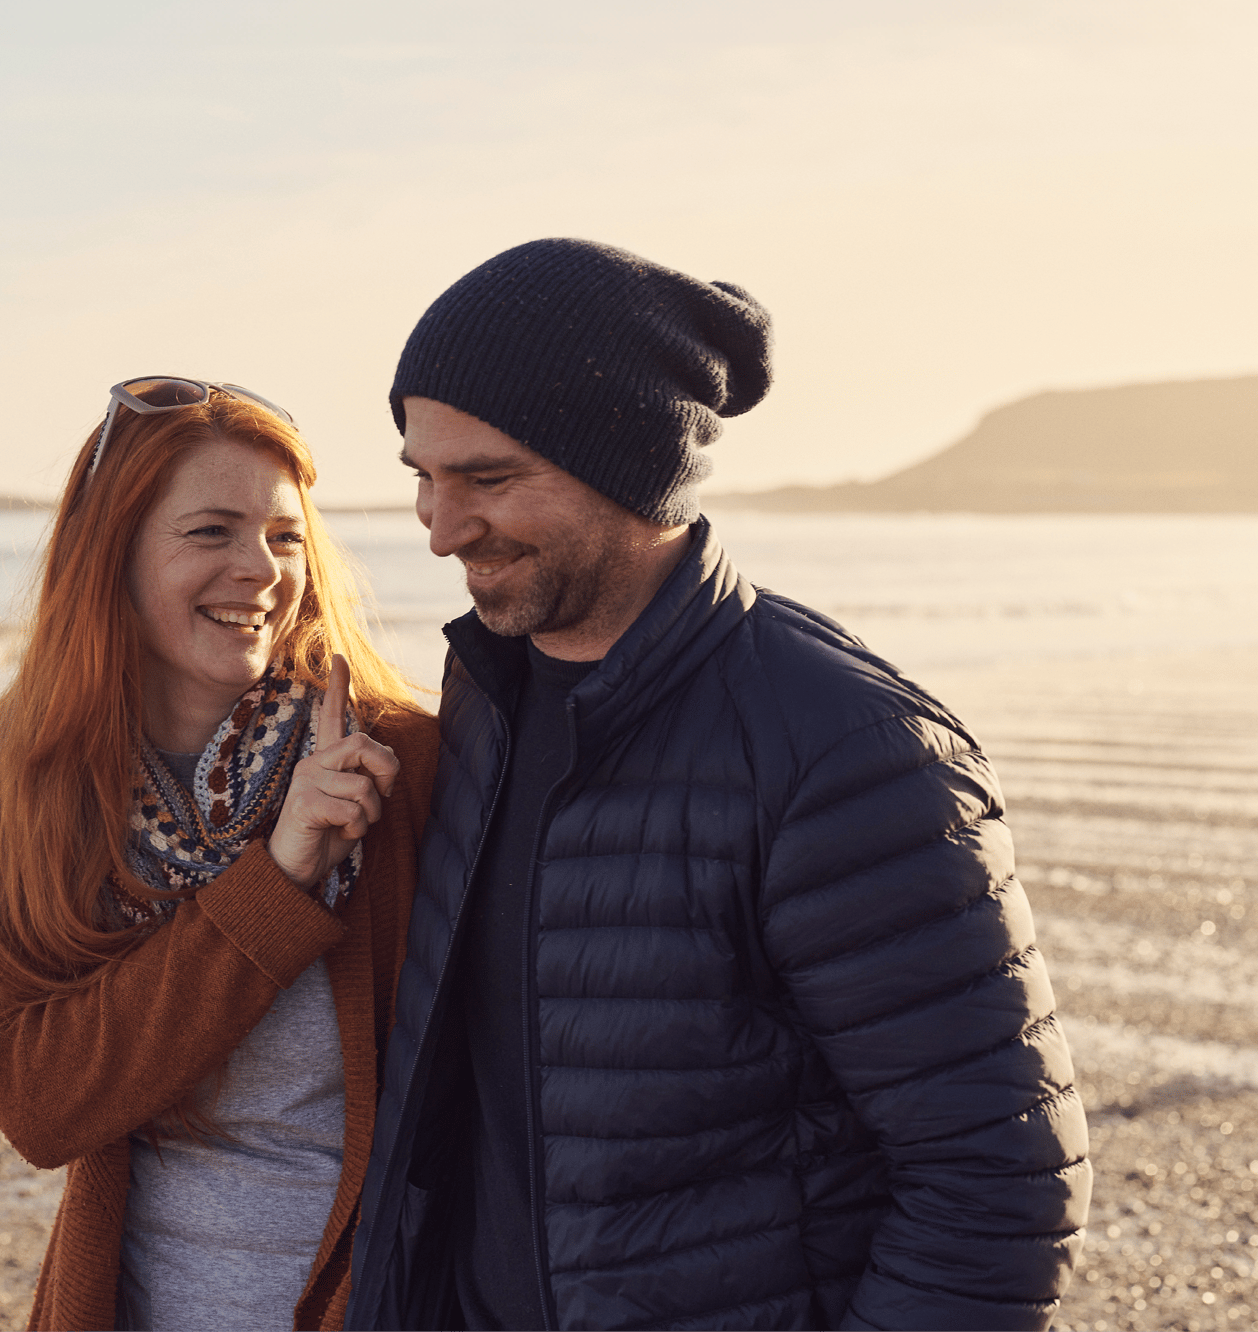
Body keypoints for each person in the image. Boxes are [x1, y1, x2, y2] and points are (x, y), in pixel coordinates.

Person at [346, 241, 1091, 1332]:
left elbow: (997, 1183)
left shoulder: (843, 748)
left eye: (488, 479)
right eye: (422, 475)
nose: (441, 528)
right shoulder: (479, 701)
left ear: (629, 465)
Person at [0, 378, 437, 1332]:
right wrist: (277, 877)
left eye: (286, 537)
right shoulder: (18, 778)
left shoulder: (398, 764)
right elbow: (39, 1104)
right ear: (110, 555)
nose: (261, 569)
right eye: (210, 532)